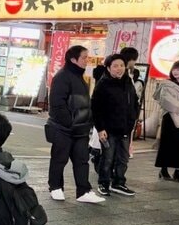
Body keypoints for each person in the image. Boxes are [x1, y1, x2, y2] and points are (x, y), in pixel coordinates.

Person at [46, 45, 105, 203]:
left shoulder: (79, 77)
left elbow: (85, 103)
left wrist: (88, 122)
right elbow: (57, 104)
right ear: (73, 59)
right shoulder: (62, 76)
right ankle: (55, 187)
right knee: (59, 159)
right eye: (84, 57)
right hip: (63, 128)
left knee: (82, 161)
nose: (87, 60)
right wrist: (70, 123)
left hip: (80, 129)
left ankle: (83, 191)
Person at [90, 53, 139, 196]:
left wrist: (133, 118)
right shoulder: (103, 84)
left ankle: (119, 183)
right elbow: (96, 108)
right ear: (108, 68)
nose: (119, 69)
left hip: (125, 128)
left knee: (123, 158)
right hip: (108, 129)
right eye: (115, 66)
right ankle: (103, 183)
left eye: (122, 65)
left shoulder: (128, 82)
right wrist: (100, 128)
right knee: (108, 158)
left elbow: (135, 102)